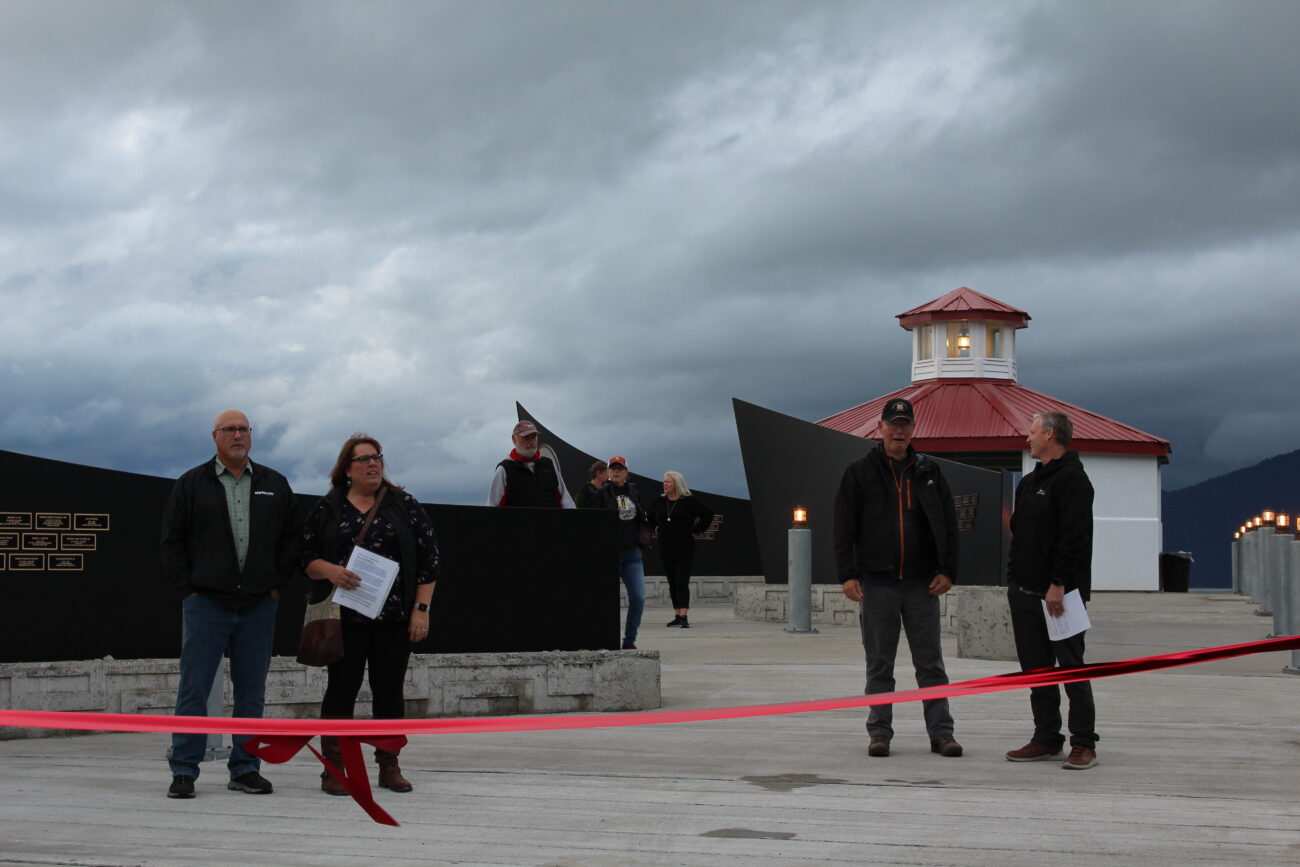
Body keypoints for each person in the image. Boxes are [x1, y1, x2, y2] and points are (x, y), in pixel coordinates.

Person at [160, 409, 300, 799]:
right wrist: (189, 590)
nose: (238, 435)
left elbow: (291, 540)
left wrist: (277, 585)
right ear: (215, 437)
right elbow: (172, 542)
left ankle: (245, 768)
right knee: (194, 688)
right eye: (230, 430)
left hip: (259, 604)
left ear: (250, 436)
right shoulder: (191, 484)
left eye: (244, 429)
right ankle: (185, 771)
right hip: (206, 603)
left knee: (251, 692)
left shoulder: (275, 483)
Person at [301, 434, 440, 794]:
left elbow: (430, 559)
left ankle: (389, 766)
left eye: (376, 457)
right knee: (341, 690)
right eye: (363, 459)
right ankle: (334, 769)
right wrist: (330, 571)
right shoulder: (329, 508)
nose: (372, 464)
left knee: (389, 690)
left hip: (393, 619)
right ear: (347, 469)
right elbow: (304, 558)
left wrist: (421, 610)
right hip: (344, 619)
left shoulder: (403, 504)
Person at [833, 398, 962, 759]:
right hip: (878, 584)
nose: (900, 431)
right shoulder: (859, 473)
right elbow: (843, 528)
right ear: (880, 429)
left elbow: (949, 525)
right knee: (879, 664)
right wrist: (847, 575)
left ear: (914, 430)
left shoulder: (930, 472)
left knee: (931, 664)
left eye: (906, 425)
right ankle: (880, 733)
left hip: (923, 584)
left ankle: (941, 734)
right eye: (894, 425)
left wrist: (948, 570)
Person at [1005, 411, 1099, 770]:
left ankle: (1084, 743)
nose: (1026, 438)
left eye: (1031, 432)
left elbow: (1074, 538)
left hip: (1061, 596)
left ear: (1049, 433)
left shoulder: (1073, 480)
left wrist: (1058, 584)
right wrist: (1014, 581)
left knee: (1071, 668)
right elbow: (1020, 534)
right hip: (1025, 592)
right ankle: (1046, 738)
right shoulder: (1028, 483)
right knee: (1037, 670)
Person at [588, 456, 648, 649]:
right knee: (606, 600)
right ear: (607, 472)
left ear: (626, 472)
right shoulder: (601, 493)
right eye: (612, 468)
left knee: (638, 597)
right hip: (609, 554)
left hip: (632, 553)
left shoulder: (634, 491)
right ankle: (605, 639)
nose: (616, 471)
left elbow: (640, 516)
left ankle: (629, 640)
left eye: (620, 468)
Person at [645, 471, 713, 628]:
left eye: (668, 481)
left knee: (681, 581)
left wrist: (697, 529)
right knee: (672, 582)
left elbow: (707, 514)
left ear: (677, 483)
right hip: (665, 546)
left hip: (684, 547)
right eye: (664, 481)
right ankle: (676, 614)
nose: (665, 484)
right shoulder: (660, 502)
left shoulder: (688, 501)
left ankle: (684, 615)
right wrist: (651, 528)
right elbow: (649, 518)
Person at [488, 420, 575, 508]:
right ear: (514, 439)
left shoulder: (549, 466)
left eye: (533, 437)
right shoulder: (504, 469)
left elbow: (566, 502)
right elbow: (492, 507)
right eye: (526, 437)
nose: (531, 442)